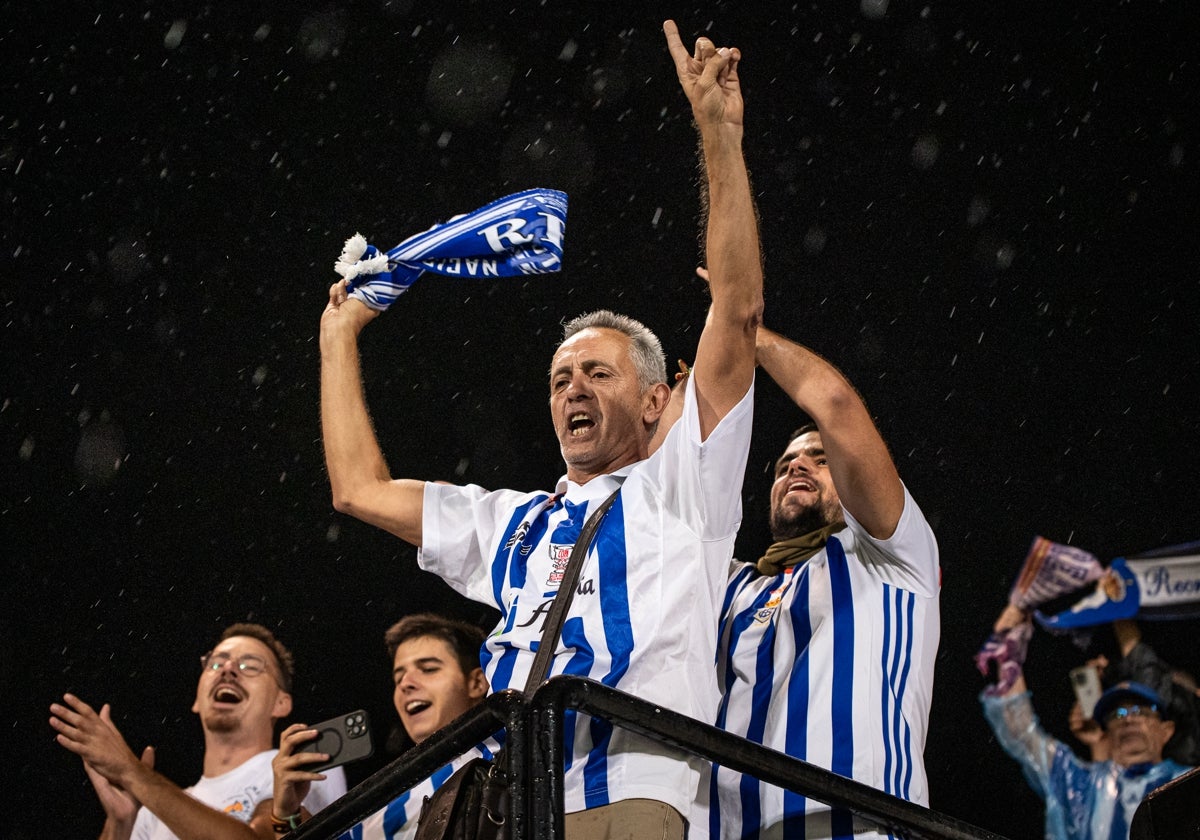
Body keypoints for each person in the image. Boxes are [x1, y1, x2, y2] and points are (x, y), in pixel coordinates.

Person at [318, 19, 763, 838]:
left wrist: (717, 134)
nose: (572, 391)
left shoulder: (684, 485)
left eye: (597, 373)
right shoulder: (515, 523)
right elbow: (359, 490)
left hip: (627, 790)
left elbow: (735, 311)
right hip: (508, 805)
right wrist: (337, 339)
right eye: (560, 379)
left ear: (660, 398)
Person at [658, 324, 940, 838]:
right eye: (785, 464)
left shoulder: (893, 555)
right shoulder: (728, 587)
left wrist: (742, 328)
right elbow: (666, 501)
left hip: (853, 826)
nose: (797, 468)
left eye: (821, 458)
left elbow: (835, 405)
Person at [50, 622, 346, 840]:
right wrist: (120, 823)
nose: (228, 670)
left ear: (281, 703)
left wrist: (131, 772)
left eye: (250, 665)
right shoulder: (151, 812)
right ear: (195, 699)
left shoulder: (304, 765)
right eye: (216, 663)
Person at [259, 614, 491, 840]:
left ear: (477, 682)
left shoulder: (509, 753)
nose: (406, 684)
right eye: (398, 678)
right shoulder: (379, 811)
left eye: (428, 669)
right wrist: (287, 814)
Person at [980, 604, 1193, 840]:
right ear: (1106, 732)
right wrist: (1009, 646)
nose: (1128, 719)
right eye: (1117, 714)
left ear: (1166, 730)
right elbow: (1022, 732)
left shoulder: (1189, 787)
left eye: (1141, 711)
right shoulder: (1080, 785)